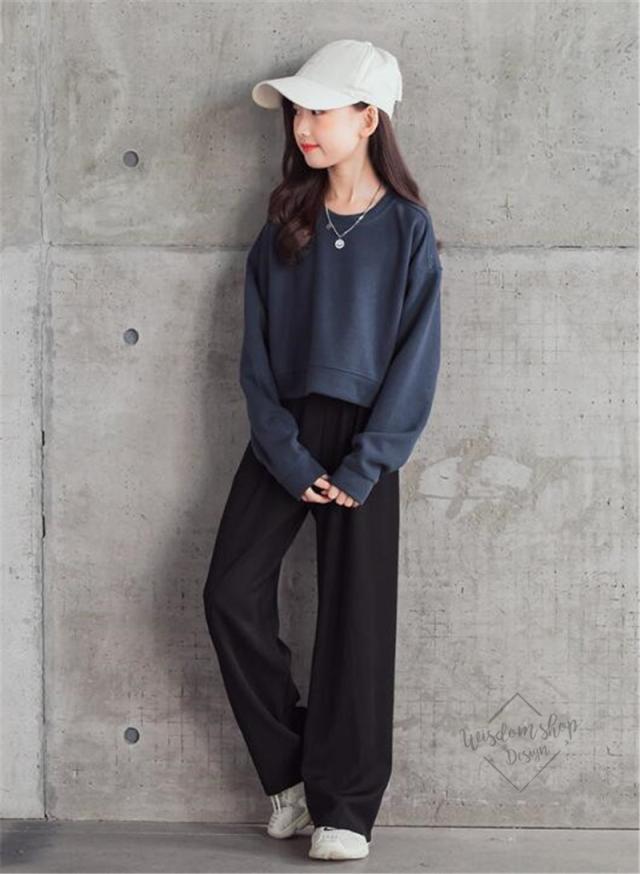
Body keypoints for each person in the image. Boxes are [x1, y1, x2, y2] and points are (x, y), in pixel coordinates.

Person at [202, 38, 443, 861]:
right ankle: (291, 779)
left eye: (320, 110)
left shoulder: (407, 228)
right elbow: (255, 360)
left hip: (366, 441)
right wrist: (287, 453)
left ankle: (346, 810)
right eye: (298, 112)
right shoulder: (283, 227)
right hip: (286, 438)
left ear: (368, 119)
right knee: (230, 593)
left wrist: (366, 463)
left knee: (356, 627)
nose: (303, 125)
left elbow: (416, 359)